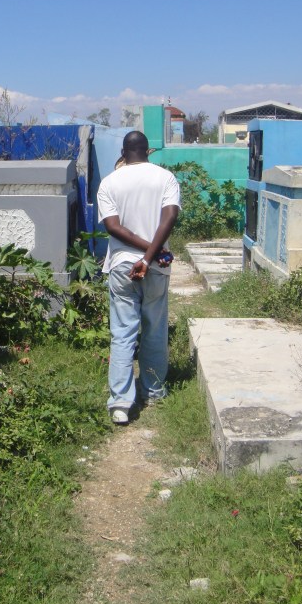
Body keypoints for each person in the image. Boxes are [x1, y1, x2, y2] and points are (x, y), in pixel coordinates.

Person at [97, 131, 180, 425]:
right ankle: (154, 390)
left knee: (122, 333)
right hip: (156, 266)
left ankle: (120, 404)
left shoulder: (109, 182)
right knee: (154, 328)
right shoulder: (165, 178)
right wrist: (151, 255)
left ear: (123, 151)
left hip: (121, 265)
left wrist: (143, 255)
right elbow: (169, 217)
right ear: (147, 151)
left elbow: (113, 227)